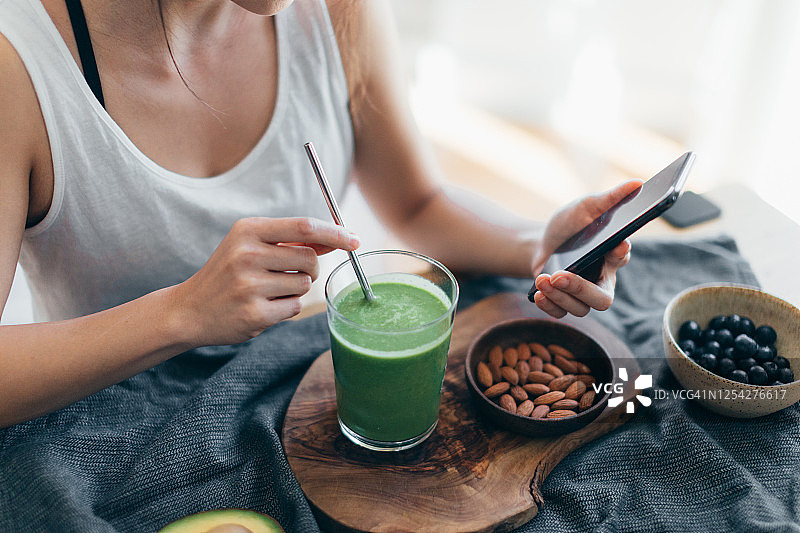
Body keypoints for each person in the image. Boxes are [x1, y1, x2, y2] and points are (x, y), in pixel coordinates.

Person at [0, 0, 638, 429]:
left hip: (305, 394)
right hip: (111, 429)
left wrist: (539, 245)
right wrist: (184, 312)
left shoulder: (334, 8)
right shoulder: (18, 67)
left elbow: (418, 204)